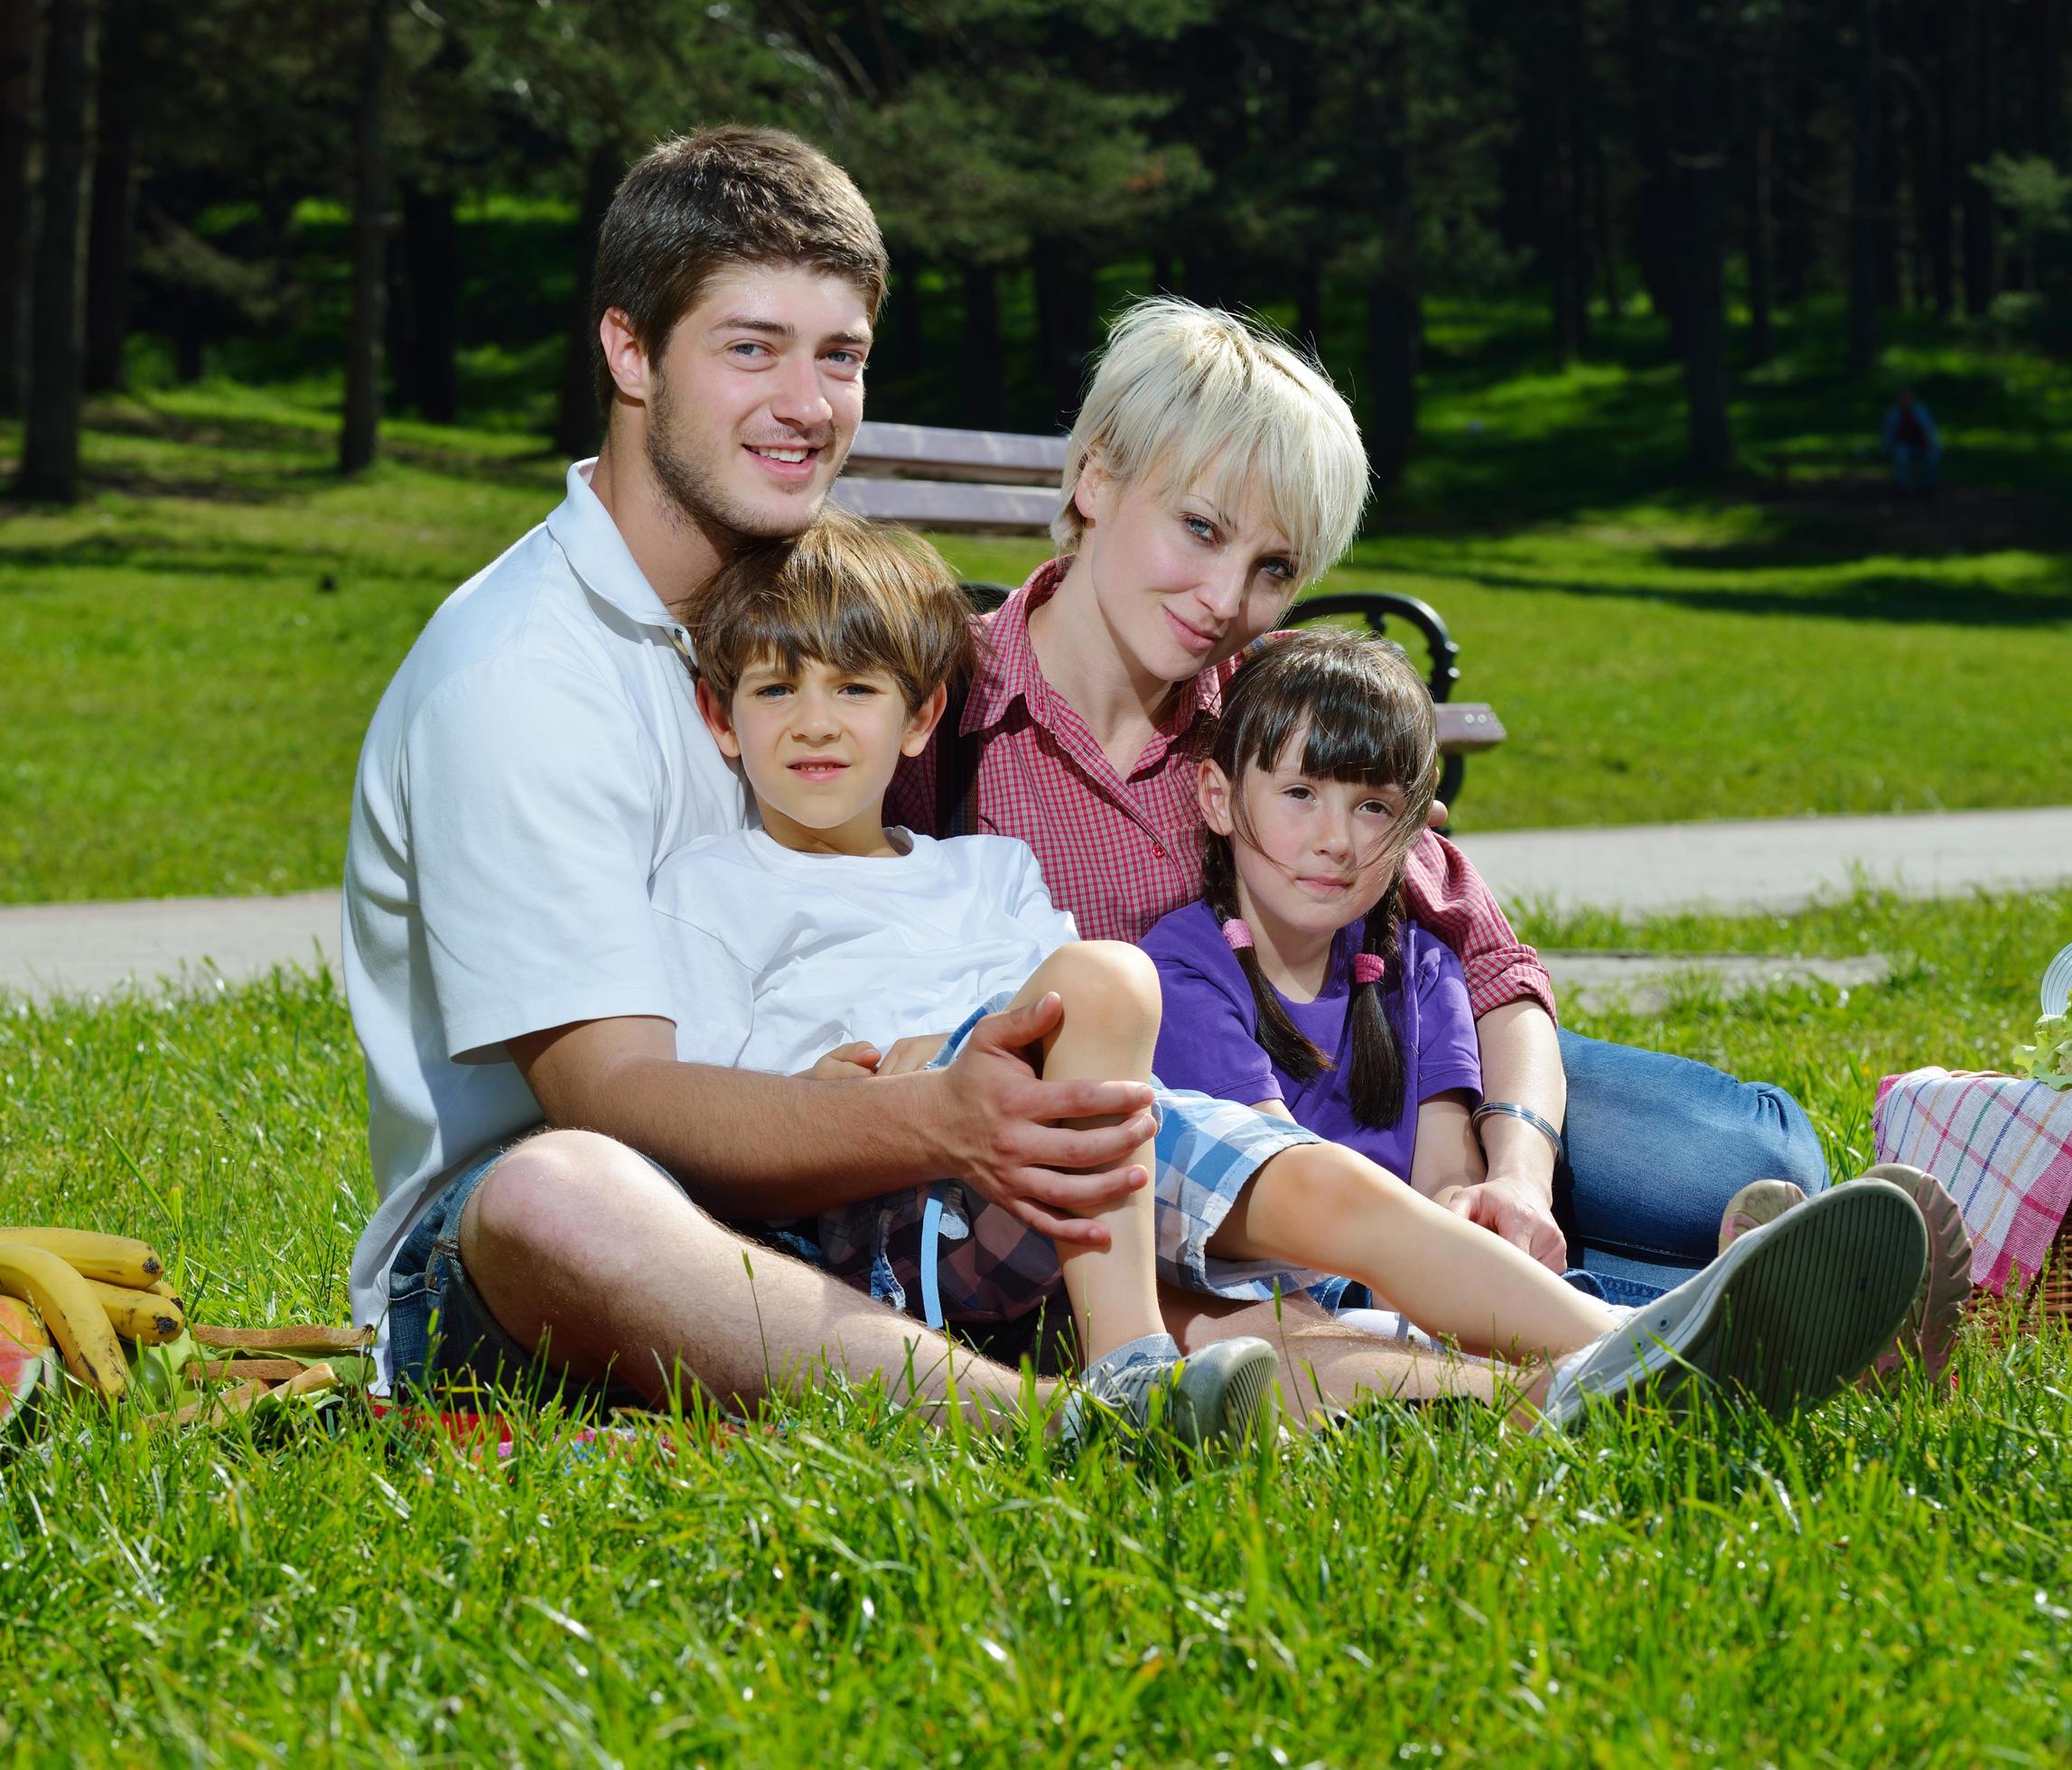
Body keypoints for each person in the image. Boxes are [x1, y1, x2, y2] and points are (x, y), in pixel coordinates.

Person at [342, 126, 1497, 1431]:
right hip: (559, 1237)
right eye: (749, 347)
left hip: (854, 1191)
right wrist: (941, 1119)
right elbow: (608, 1098)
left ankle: (1581, 1378)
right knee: (555, 1190)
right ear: (627, 351)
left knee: (1193, 1240)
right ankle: (1063, 1427)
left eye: (839, 356)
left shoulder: (812, 629)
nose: (805, 401)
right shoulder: (518, 672)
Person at [659, 516, 1930, 1424]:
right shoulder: (714, 892)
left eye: (853, 688)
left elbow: (1463, 950)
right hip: (914, 1182)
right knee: (1108, 989)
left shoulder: (973, 870)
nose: (816, 722)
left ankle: (1600, 1373)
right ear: (722, 720)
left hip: (1088, 1152)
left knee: (1309, 1263)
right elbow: (706, 1110)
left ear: (916, 717)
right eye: (775, 692)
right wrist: (828, 1089)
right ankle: (1128, 1368)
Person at [888, 298, 1830, 1318]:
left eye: (1272, 568)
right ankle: (1718, 1307)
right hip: (1186, 1174)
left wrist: (1512, 1168)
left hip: (1369, 1087)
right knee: (1703, 1230)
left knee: (1750, 1152)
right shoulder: (944, 707)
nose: (1221, 597)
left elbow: (1488, 963)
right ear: (1096, 476)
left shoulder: (1271, 705)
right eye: (1199, 529)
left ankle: (1660, 1278)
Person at [1882, 387, 1940, 489]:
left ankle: (1929, 484)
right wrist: (1888, 449)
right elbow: (1889, 433)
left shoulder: (1921, 411)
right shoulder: (1893, 413)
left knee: (1932, 456)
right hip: (1903, 445)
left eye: (1907, 397)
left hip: (1921, 444)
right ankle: (1902, 486)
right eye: (1902, 398)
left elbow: (1929, 430)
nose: (1905, 400)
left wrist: (1931, 444)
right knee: (1901, 456)